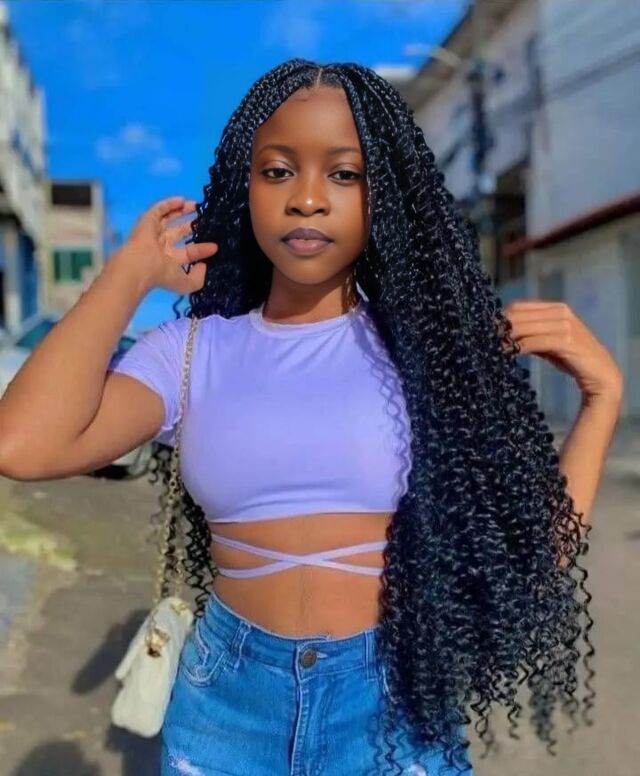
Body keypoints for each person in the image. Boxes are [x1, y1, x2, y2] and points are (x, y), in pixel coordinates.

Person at [0, 59, 623, 776]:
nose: (305, 199)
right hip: (226, 705)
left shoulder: (428, 354)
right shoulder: (189, 352)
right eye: (277, 171)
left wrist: (602, 399)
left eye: (344, 173)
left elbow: (534, 552)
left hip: (393, 706)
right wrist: (125, 276)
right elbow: (22, 446)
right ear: (245, 187)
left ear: (383, 193)